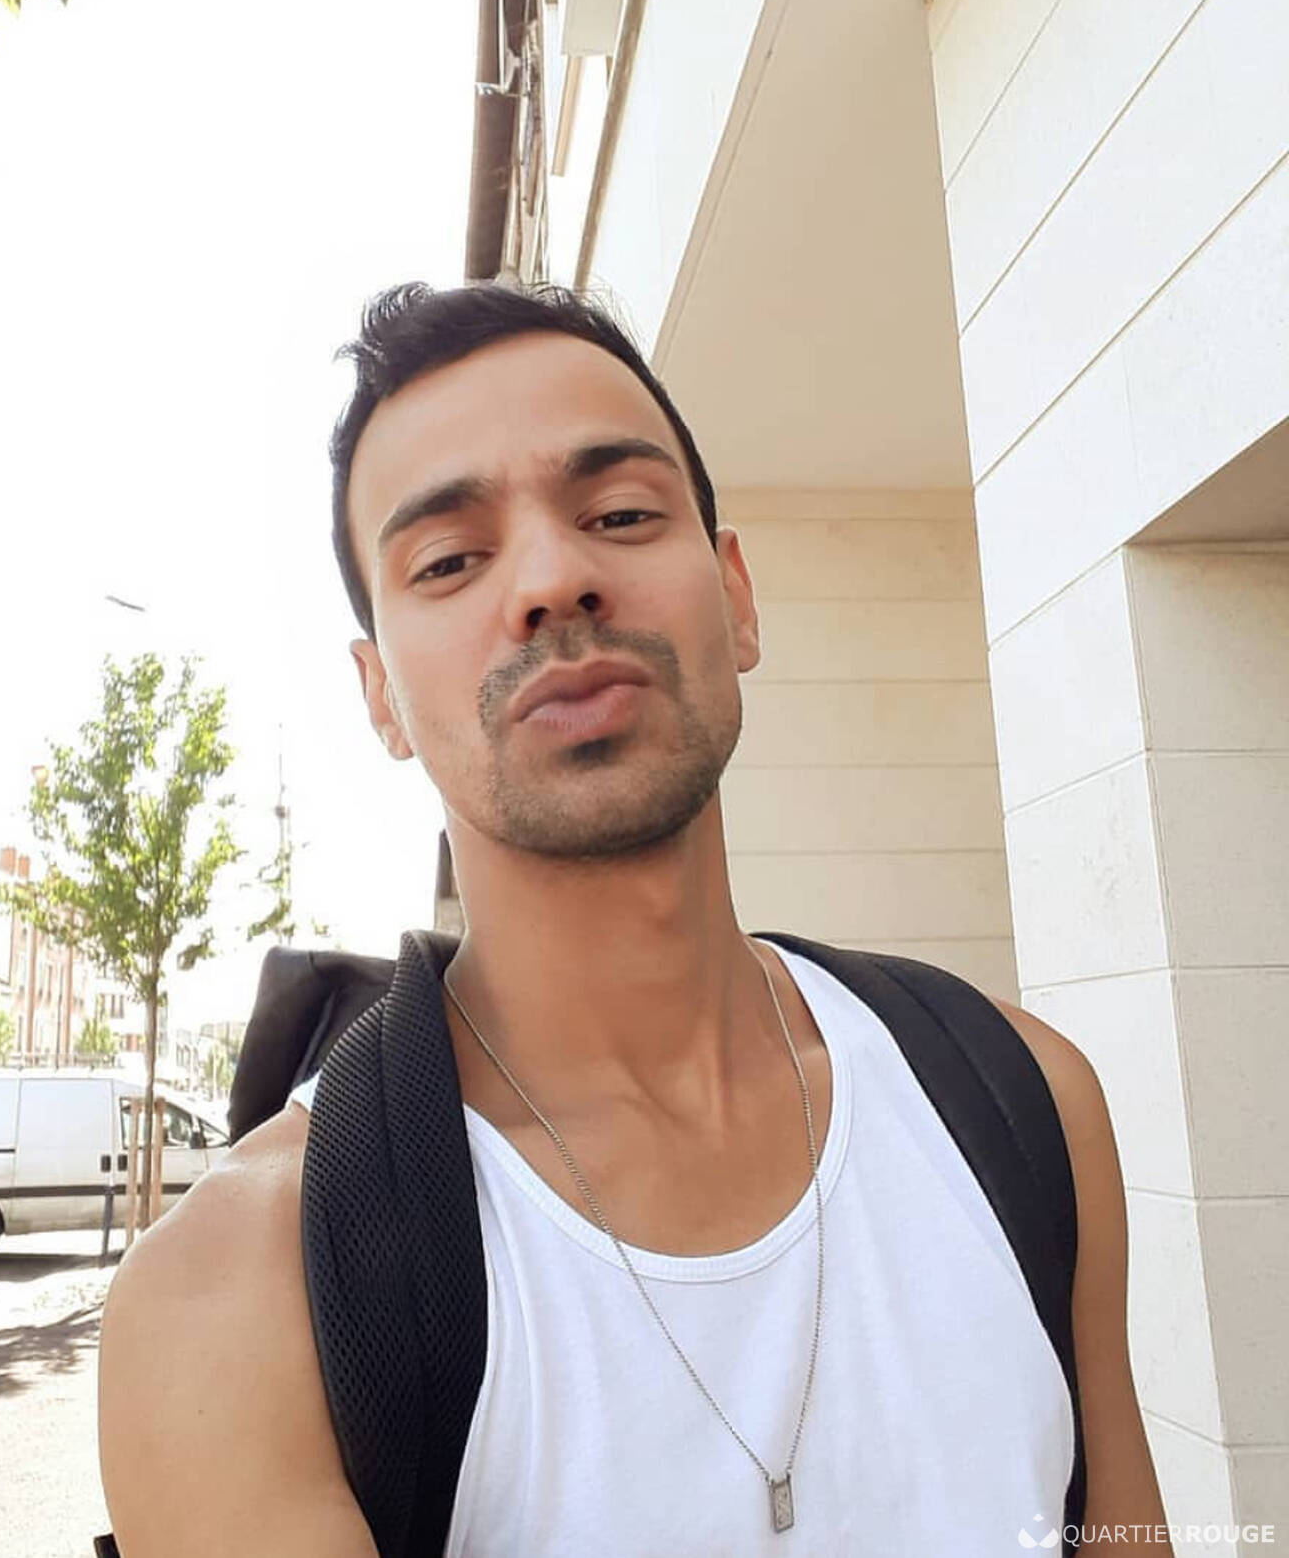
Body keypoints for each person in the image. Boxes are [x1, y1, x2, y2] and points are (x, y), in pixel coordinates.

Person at [97, 283, 1171, 1555]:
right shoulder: (238, 1291)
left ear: (737, 597)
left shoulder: (1022, 1098)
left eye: (618, 515)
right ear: (379, 697)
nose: (554, 579)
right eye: (448, 561)